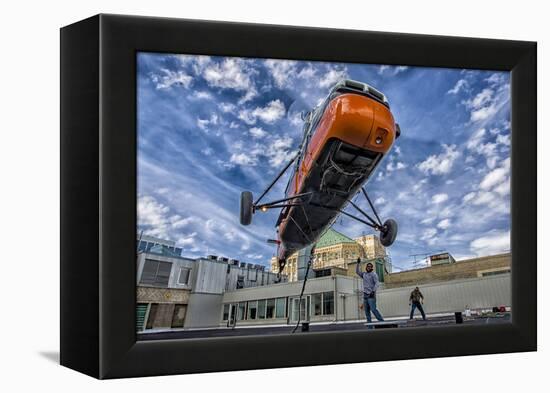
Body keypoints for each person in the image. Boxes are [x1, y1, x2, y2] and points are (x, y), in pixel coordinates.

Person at [355, 258, 384, 326]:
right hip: (365, 295)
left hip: (371, 295)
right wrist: (358, 263)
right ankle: (370, 326)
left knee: (373, 309)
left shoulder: (373, 274)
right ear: (366, 267)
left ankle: (382, 322)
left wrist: (373, 291)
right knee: (367, 312)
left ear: (372, 268)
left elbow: (377, 283)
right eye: (368, 266)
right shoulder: (364, 274)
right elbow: (357, 272)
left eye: (370, 267)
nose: (369, 267)